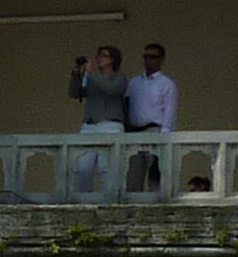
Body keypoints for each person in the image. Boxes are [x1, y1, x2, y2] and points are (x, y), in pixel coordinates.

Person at [68, 42, 126, 195]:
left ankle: (109, 199)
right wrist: (76, 72)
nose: (99, 58)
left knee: (106, 167)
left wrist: (93, 74)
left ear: (113, 60)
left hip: (110, 124)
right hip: (90, 125)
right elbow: (75, 93)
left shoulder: (119, 78)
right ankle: (84, 199)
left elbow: (111, 90)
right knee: (82, 166)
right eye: (98, 55)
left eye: (104, 56)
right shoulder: (91, 77)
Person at [122, 42, 177, 191]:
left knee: (156, 177)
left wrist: (164, 136)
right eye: (145, 57)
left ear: (161, 59)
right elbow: (126, 105)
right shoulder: (134, 82)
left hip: (154, 132)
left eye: (152, 57)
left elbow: (169, 111)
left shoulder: (166, 84)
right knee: (133, 178)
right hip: (134, 133)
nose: (148, 60)